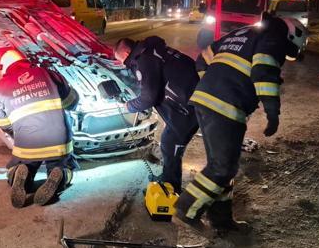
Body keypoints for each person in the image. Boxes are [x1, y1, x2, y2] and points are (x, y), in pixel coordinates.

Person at [174, 13, 308, 234]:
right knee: (223, 167)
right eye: (288, 53)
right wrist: (272, 112)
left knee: (223, 164)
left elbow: (202, 59)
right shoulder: (275, 35)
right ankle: (186, 208)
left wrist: (210, 84)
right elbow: (264, 71)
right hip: (226, 107)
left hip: (205, 102)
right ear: (292, 36)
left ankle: (221, 219)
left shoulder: (242, 33)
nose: (285, 57)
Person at [0, 49, 79, 208]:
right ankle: (59, 174)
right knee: (62, 164)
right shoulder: (48, 73)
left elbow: (2, 124)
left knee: (23, 162)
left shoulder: (0, 87)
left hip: (27, 144)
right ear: (25, 60)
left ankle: (18, 172)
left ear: (5, 67)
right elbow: (71, 103)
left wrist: (20, 130)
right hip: (58, 141)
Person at [113, 36, 199, 194]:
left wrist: (130, 106)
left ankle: (171, 189)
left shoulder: (145, 59)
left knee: (171, 144)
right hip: (192, 100)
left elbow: (149, 97)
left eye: (122, 60)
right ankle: (168, 179)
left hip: (188, 108)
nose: (124, 64)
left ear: (126, 52)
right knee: (168, 142)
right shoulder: (154, 51)